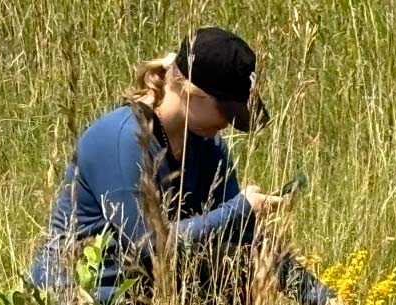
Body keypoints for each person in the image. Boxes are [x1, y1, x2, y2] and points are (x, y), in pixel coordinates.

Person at [27, 27, 339, 305]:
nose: (228, 124)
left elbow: (244, 239)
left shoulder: (207, 145)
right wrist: (239, 208)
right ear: (189, 88)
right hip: (81, 289)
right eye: (226, 111)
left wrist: (320, 296)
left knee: (238, 267)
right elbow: (150, 243)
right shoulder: (121, 138)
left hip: (156, 287)